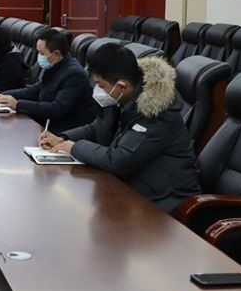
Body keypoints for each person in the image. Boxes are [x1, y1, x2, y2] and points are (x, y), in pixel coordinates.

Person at [39, 43, 200, 213]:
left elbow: (119, 160)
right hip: (132, 186)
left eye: (101, 85)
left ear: (121, 86)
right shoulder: (123, 97)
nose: (97, 90)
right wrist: (63, 138)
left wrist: (73, 147)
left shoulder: (156, 112)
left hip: (164, 200)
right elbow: (97, 127)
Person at [0, 28, 96, 133]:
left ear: (56, 54)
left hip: (62, 132)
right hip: (45, 125)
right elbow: (33, 91)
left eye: (42, 53)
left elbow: (57, 108)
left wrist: (18, 104)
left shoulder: (73, 74)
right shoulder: (56, 67)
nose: (39, 57)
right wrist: (1, 95)